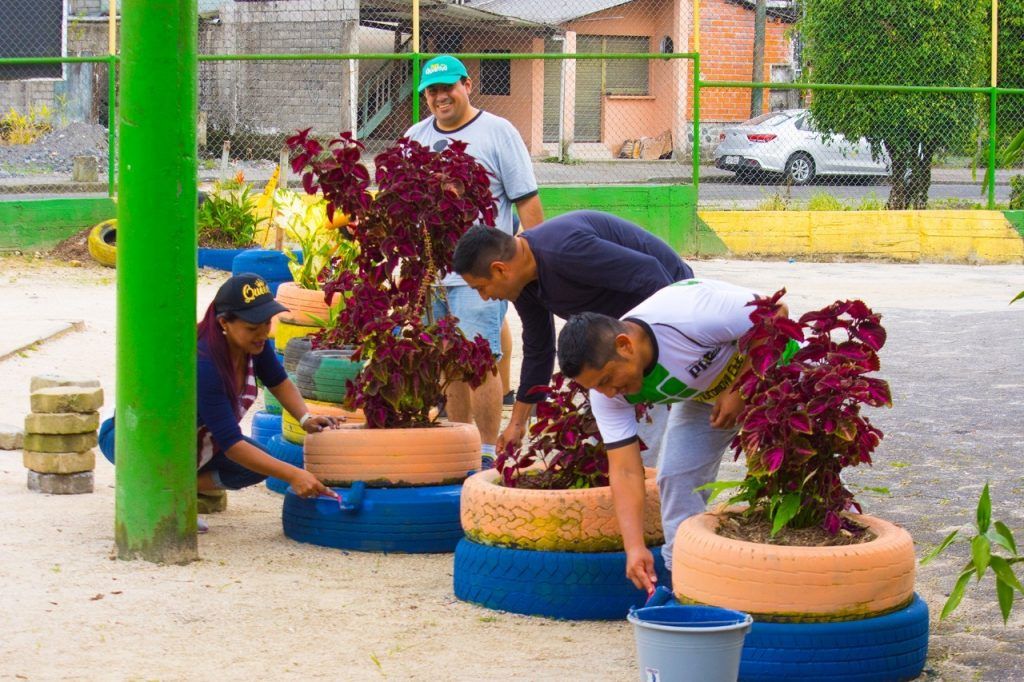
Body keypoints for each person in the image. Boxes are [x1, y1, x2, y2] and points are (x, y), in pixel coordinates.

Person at [556, 279, 785, 592]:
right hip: (705, 397)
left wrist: (740, 389)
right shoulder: (606, 394)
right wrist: (634, 548)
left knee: (795, 473)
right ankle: (683, 585)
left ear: (625, 345)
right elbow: (625, 470)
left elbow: (776, 313)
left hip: (778, 370)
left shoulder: (689, 315)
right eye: (596, 387)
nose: (608, 393)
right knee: (676, 479)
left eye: (608, 379)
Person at [451, 210, 695, 465]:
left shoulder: (565, 250)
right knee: (602, 445)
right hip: (619, 334)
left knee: (637, 441)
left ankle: (639, 480)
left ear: (500, 270)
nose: (485, 297)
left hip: (669, 303)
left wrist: (666, 348)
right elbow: (539, 349)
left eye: (481, 287)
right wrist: (517, 423)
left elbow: (651, 274)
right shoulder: (523, 284)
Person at [99, 273, 340, 531]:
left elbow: (278, 381)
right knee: (258, 461)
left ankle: (176, 489)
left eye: (266, 323)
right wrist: (294, 474)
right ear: (224, 322)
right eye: (252, 327)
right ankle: (161, 491)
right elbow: (232, 445)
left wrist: (305, 418)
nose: (262, 333)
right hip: (137, 440)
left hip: (194, 439)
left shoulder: (253, 345)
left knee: (257, 465)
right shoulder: (204, 363)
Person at [404, 54, 544, 467]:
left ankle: (485, 453)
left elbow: (527, 202)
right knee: (449, 362)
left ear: (466, 85)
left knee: (479, 362)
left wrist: (536, 262)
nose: (440, 97)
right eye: (432, 91)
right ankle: (460, 448)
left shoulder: (498, 132)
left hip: (481, 276)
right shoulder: (415, 137)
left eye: (447, 87)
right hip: (430, 273)